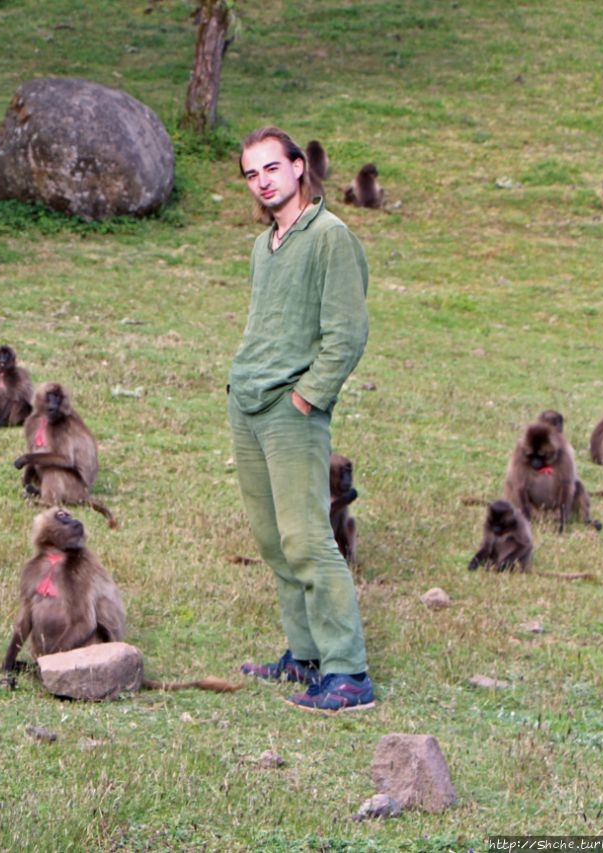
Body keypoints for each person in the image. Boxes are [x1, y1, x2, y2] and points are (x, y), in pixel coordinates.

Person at [229, 126, 374, 712]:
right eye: (251, 174)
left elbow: (348, 332)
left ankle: (348, 674)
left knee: (308, 537)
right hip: (248, 403)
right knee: (271, 539)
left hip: (293, 409)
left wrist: (308, 397)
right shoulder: (264, 245)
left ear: (297, 168)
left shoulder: (330, 237)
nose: (262, 181)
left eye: (271, 168)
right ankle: (306, 654)